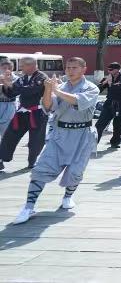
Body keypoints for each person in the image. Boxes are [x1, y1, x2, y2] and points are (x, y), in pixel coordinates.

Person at [11, 57, 100, 225]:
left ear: (83, 69)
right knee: (42, 168)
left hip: (82, 135)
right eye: (68, 67)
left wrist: (56, 90)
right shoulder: (61, 86)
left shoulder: (91, 88)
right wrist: (48, 89)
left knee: (75, 171)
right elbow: (48, 106)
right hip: (59, 134)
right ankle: (29, 207)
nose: (70, 70)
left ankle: (68, 197)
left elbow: (77, 101)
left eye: (74, 67)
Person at [0, 56, 48, 172]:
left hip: (37, 112)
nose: (20, 68)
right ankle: (2, 158)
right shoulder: (23, 78)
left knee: (35, 139)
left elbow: (32, 90)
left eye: (22, 66)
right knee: (9, 135)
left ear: (31, 65)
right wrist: (7, 84)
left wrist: (15, 86)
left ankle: (32, 162)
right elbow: (12, 93)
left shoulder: (41, 77)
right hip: (22, 112)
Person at [95, 62, 121, 148]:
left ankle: (115, 142)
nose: (109, 71)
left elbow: (120, 89)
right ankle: (93, 143)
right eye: (108, 69)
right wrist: (105, 82)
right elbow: (97, 90)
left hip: (120, 104)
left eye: (111, 69)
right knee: (100, 124)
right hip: (109, 103)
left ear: (117, 70)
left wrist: (110, 84)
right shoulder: (107, 78)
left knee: (118, 126)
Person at [0, 59, 18, 138]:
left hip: (9, 105)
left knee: (6, 134)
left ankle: (4, 149)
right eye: (4, 68)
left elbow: (14, 92)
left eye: (9, 68)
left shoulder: (16, 79)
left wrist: (6, 82)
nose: (7, 70)